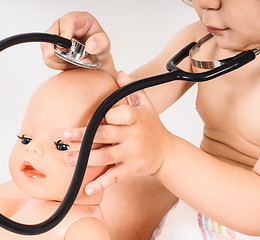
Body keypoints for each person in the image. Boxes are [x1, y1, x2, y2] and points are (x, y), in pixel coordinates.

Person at [35, 0, 260, 239]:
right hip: (196, 192)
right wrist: (94, 68)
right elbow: (123, 106)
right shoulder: (202, 41)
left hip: (247, 211)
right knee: (59, 203)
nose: (205, 2)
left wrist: (165, 154)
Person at [0, 68, 123, 239]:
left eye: (61, 146)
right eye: (26, 139)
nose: (33, 149)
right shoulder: (19, 195)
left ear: (114, 160)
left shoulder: (83, 229)